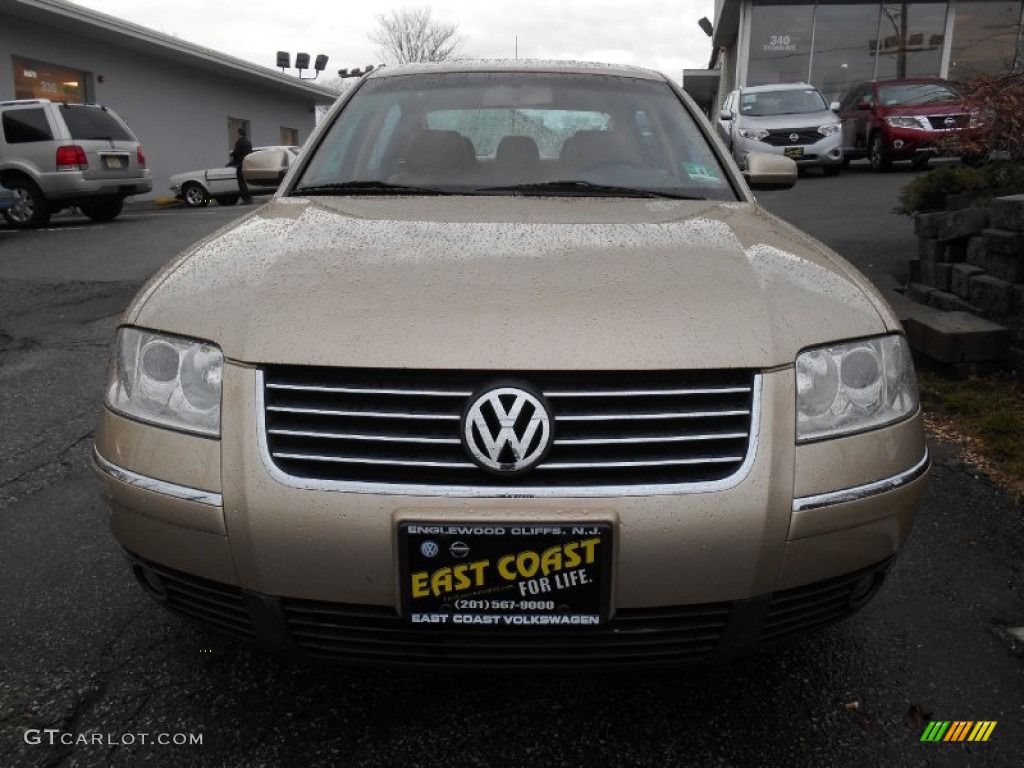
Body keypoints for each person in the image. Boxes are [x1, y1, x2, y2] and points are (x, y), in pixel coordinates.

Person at [230, 127, 253, 203]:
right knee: (244, 181)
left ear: (239, 133)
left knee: (241, 182)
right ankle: (248, 198)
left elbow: (236, 152)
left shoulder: (239, 142)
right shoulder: (248, 142)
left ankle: (246, 198)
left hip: (240, 164)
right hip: (247, 163)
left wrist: (232, 154)